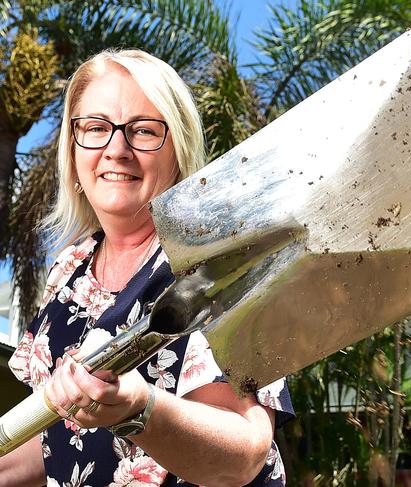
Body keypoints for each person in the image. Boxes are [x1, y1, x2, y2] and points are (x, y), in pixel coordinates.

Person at [0, 49, 294, 487]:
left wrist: (142, 408)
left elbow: (244, 453)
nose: (116, 150)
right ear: (74, 150)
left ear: (178, 151)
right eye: (96, 129)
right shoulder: (69, 269)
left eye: (142, 131)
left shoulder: (216, 263)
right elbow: (57, 444)